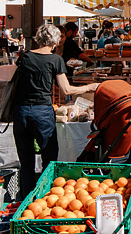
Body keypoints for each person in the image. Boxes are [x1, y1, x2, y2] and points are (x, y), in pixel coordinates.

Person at [11, 23, 99, 201]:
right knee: (49, 159)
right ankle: (44, 198)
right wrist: (91, 86)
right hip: (42, 112)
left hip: (21, 112)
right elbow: (66, 90)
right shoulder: (55, 60)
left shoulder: (25, 57)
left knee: (26, 161)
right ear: (55, 40)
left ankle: (25, 200)